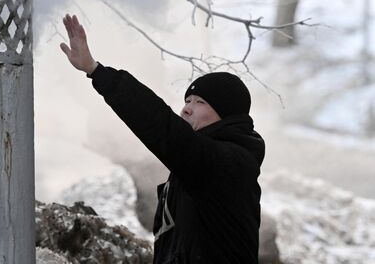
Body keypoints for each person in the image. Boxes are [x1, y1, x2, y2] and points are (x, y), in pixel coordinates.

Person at [60, 14, 265, 264]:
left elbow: (160, 125)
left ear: (225, 114)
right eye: (187, 101)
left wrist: (97, 71)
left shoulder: (229, 162)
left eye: (200, 102)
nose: (187, 109)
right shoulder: (192, 167)